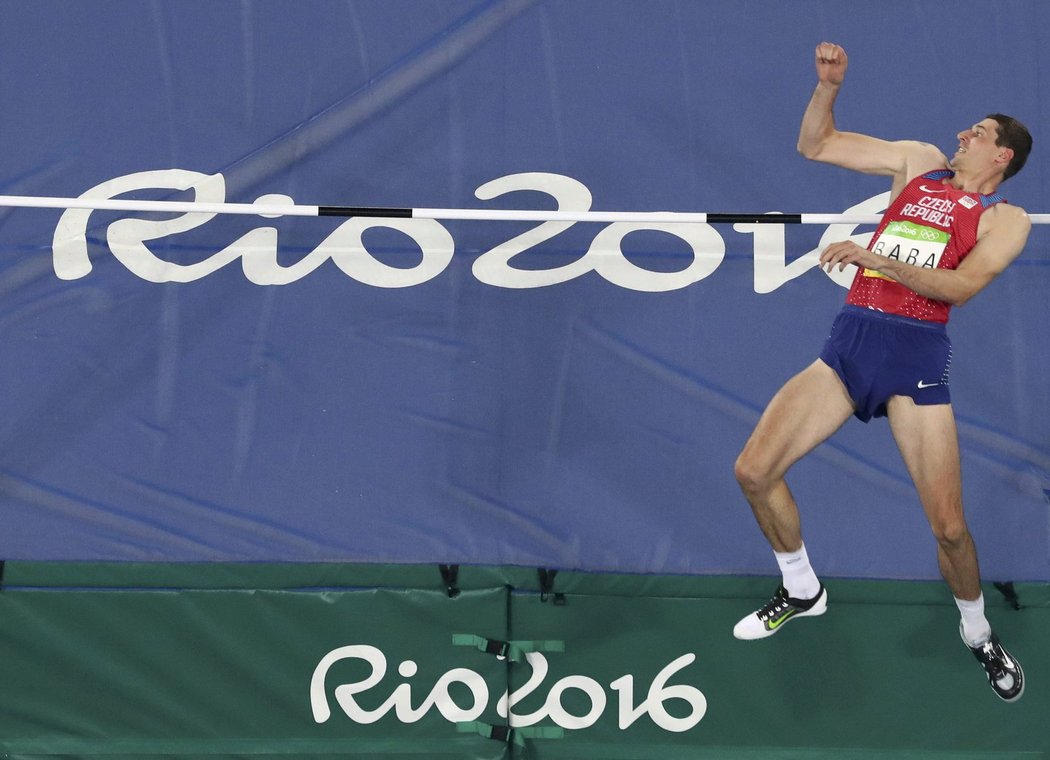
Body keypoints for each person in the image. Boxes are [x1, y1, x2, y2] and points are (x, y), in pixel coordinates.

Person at [732, 42, 1033, 703]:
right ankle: (801, 586)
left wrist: (879, 258)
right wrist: (826, 87)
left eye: (977, 133)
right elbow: (817, 145)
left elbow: (960, 287)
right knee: (754, 470)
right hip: (851, 343)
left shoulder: (1005, 220)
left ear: (1002, 156)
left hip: (915, 358)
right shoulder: (918, 164)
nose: (963, 134)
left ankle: (977, 633)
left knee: (949, 526)